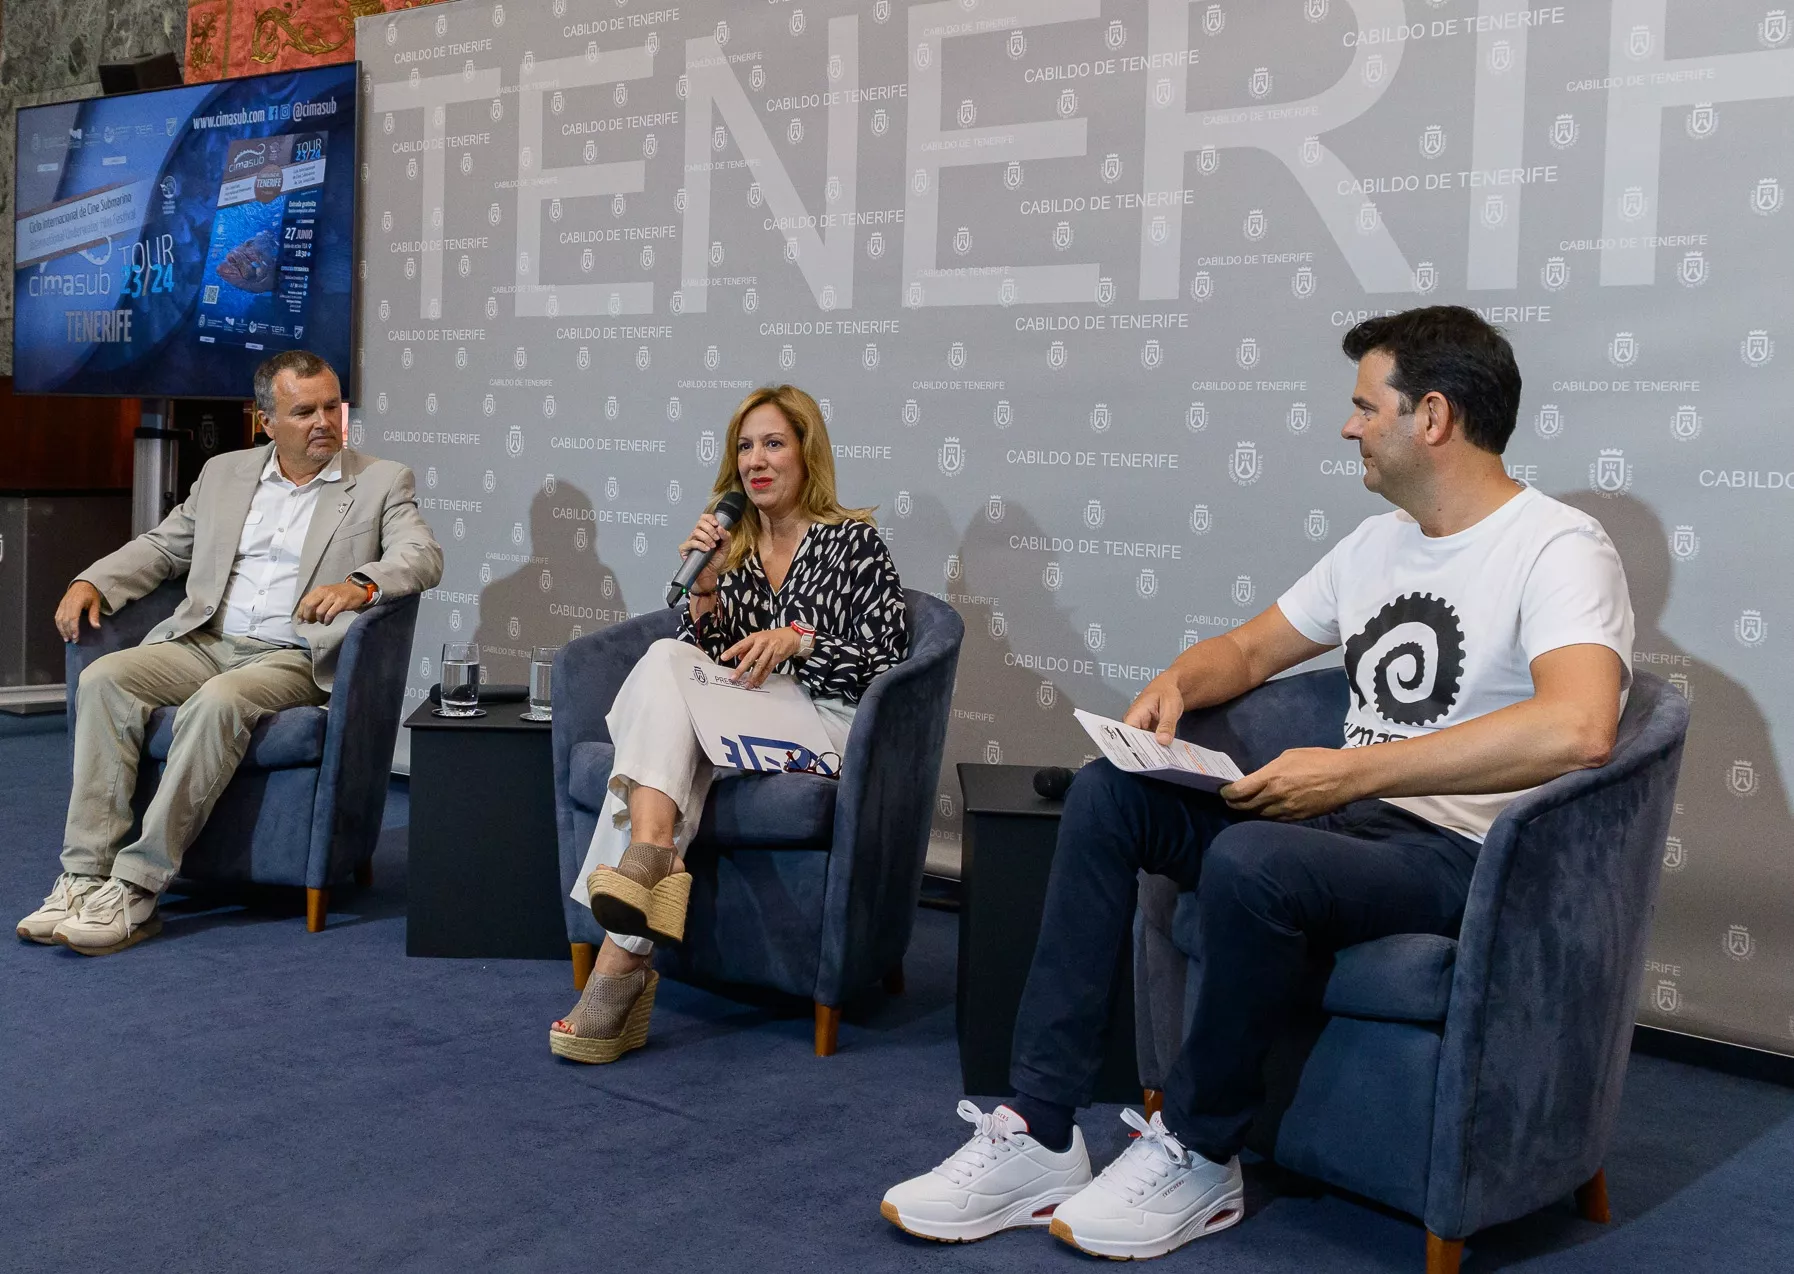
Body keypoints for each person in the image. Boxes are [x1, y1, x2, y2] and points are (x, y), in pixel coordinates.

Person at [881, 306, 1634, 1259]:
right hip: (1342, 822)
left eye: (1367, 406)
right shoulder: (1376, 546)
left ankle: (1202, 1156)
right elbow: (1248, 649)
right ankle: (1039, 1131)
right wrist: (1175, 687)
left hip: (1459, 857)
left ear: (1432, 417)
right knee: (1111, 794)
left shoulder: (1559, 547)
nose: (1348, 425)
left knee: (1252, 861)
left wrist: (1351, 773)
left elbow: (1580, 724)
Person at [16, 351, 443, 956]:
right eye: (304, 411)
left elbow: (421, 555)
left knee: (217, 704)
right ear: (265, 420)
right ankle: (83, 875)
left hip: (292, 656)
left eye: (332, 407)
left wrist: (361, 585)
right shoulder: (224, 474)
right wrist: (93, 581)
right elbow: (164, 548)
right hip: (206, 641)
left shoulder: (380, 480)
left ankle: (137, 886)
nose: (324, 421)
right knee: (106, 679)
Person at [550, 384, 908, 1064]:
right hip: (747, 720)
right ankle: (653, 853)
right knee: (665, 658)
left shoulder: (854, 542)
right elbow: (707, 665)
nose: (756, 461)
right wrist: (707, 587)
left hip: (822, 725)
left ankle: (617, 970)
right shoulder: (733, 549)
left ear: (807, 454)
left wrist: (799, 643)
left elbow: (886, 661)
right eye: (745, 447)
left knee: (665, 727)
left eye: (773, 443)